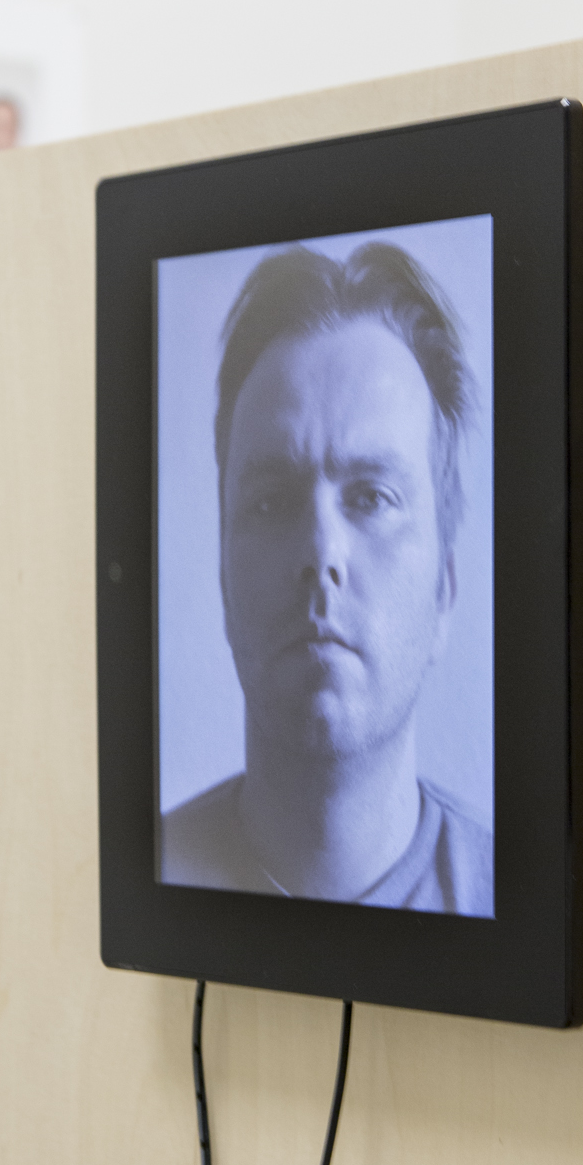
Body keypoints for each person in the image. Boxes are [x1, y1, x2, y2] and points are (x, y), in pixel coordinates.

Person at [161, 242, 493, 916]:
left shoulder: (508, 900)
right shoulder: (142, 879)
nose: (321, 551)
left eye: (370, 497)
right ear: (222, 581)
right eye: (270, 503)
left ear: (445, 588)